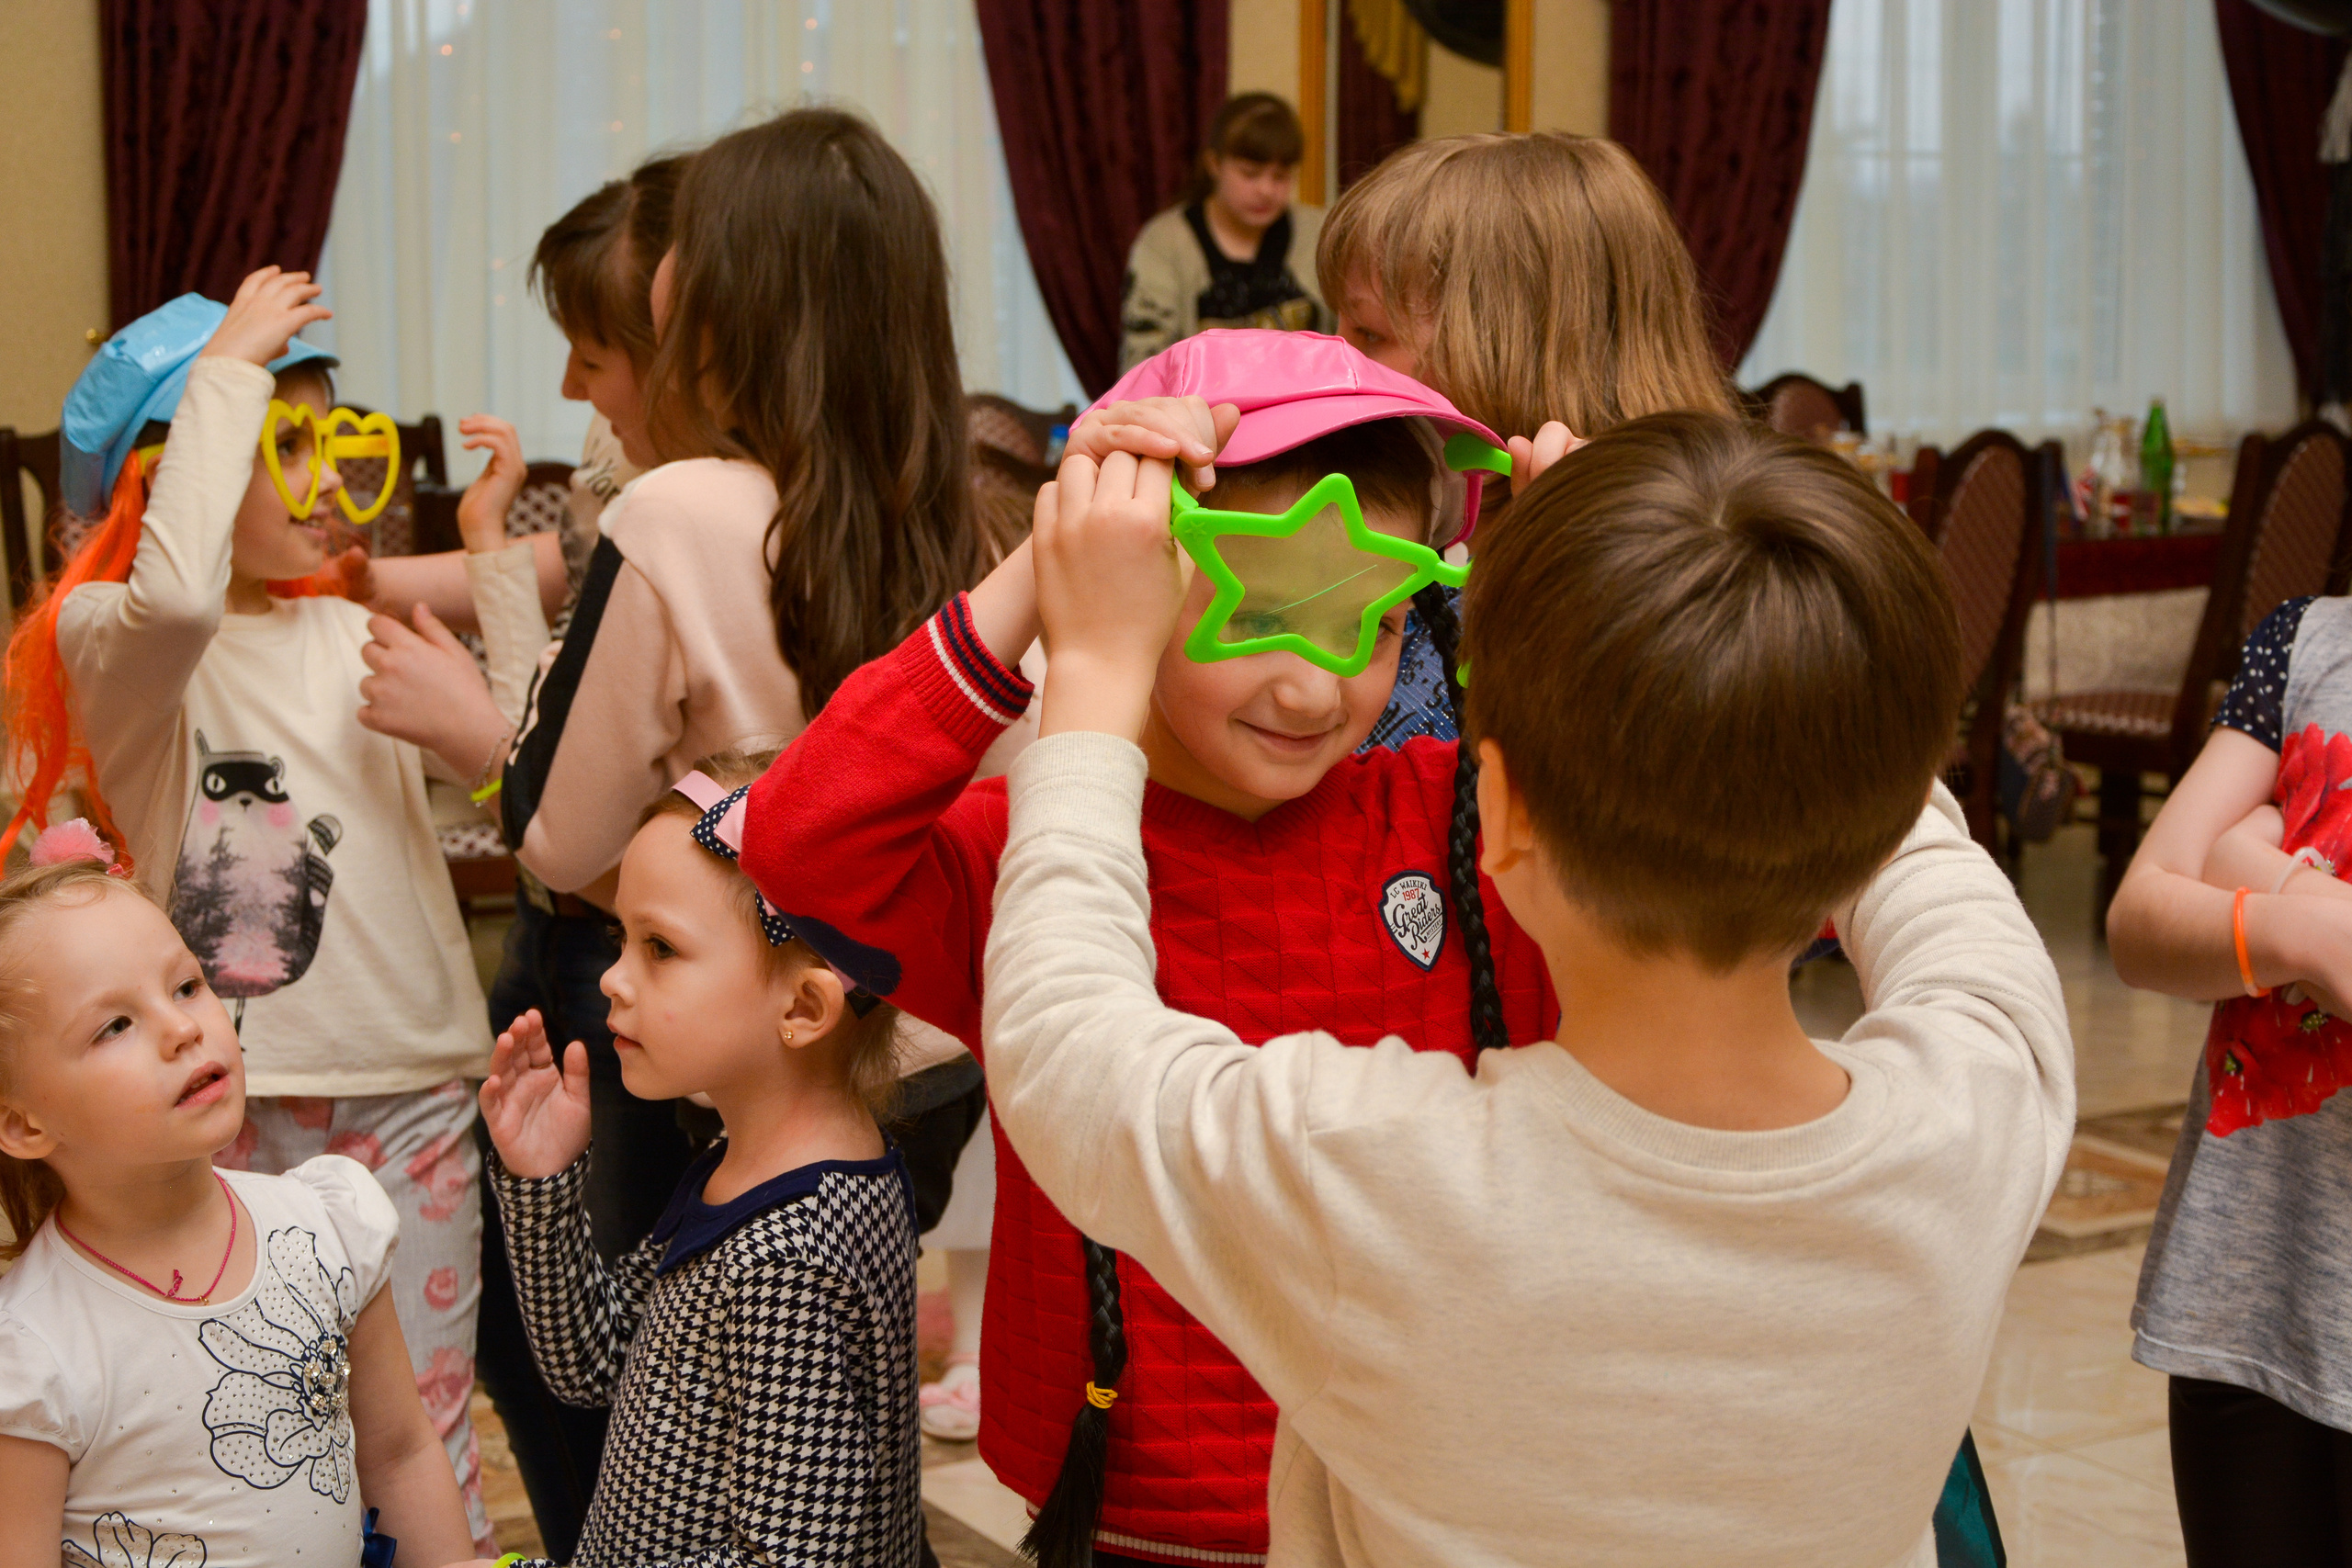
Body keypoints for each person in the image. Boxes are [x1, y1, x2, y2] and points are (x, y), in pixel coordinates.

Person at [981, 411, 2074, 1565]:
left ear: (1496, 816)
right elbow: (1917, 845)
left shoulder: (1380, 1178)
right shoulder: (1985, 1106)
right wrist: (1667, 597)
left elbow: (1065, 1043)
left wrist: (1095, 673)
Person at [739, 330, 1557, 1568]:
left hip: (1426, 1495)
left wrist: (1596, 586)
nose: (1312, 688)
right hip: (1134, 1505)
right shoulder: (1035, 854)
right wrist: (1048, 569)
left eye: (1373, 620)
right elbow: (801, 839)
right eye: (1257, 610)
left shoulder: (1464, 821)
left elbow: (1725, 862)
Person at [347, 107, 1007, 1554]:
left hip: (735, 1033)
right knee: (786, 1395)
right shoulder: (964, 521)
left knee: (697, 1396)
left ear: (720, 301)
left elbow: (554, 827)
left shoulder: (687, 510)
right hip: (909, 1047)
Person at [2, 268, 503, 1550]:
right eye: (286, 443)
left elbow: (526, 783)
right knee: (245, 1428)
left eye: (334, 439)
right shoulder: (114, 641)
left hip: (412, 1093)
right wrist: (229, 365)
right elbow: (176, 595)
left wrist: (490, 598)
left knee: (422, 1427)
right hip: (232, 1097)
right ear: (170, 470)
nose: (327, 477)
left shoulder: (350, 631)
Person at [472, 748, 921, 1567]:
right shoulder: (754, 1167)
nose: (613, 979)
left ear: (803, 1005)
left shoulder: (788, 1259)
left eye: (661, 948)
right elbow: (597, 1360)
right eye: (621, 938)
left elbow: (792, 1559)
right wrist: (544, 1184)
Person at [0, 837, 475, 1568]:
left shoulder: (324, 1226)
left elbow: (401, 1453)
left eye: (187, 985)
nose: (183, 1027)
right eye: (115, 1025)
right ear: (25, 1123)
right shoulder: (32, 1351)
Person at [2106, 591, 2352, 1565]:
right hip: (2249, 1299)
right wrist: (2309, 926)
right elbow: (2140, 920)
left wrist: (2254, 865)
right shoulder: (2304, 643)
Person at [1119, 93, 1330, 372]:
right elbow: (1142, 367)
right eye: (1250, 174)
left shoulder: (1319, 232)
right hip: (1197, 399)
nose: (1266, 190)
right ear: (1214, 164)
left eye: (1280, 176)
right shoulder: (1164, 242)